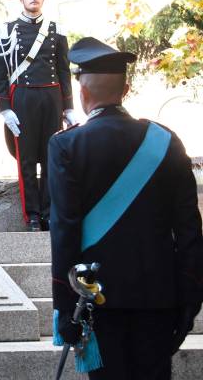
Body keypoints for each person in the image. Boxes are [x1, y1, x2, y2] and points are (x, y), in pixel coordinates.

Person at [49, 37, 203, 379]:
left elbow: (64, 233)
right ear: (127, 88)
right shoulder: (166, 141)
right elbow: (190, 229)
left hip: (96, 304)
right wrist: (188, 302)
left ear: (83, 94)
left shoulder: (66, 146)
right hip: (160, 302)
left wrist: (64, 311)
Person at [0, 0, 75, 231]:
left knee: (52, 158)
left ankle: (50, 213)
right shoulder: (6, 30)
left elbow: (63, 70)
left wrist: (69, 107)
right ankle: (33, 215)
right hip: (23, 98)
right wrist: (5, 108)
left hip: (51, 98)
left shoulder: (56, 30)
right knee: (26, 159)